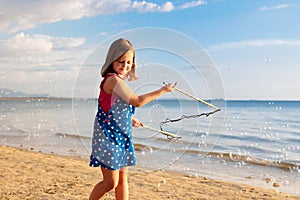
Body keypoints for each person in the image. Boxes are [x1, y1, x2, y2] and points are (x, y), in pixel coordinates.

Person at [89, 38, 176, 200]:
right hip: (107, 136)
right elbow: (136, 101)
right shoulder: (112, 80)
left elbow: (114, 109)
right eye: (121, 61)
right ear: (111, 60)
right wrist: (162, 91)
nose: (125, 66)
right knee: (110, 183)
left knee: (123, 181)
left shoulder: (119, 81)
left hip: (121, 135)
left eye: (129, 62)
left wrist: (130, 118)